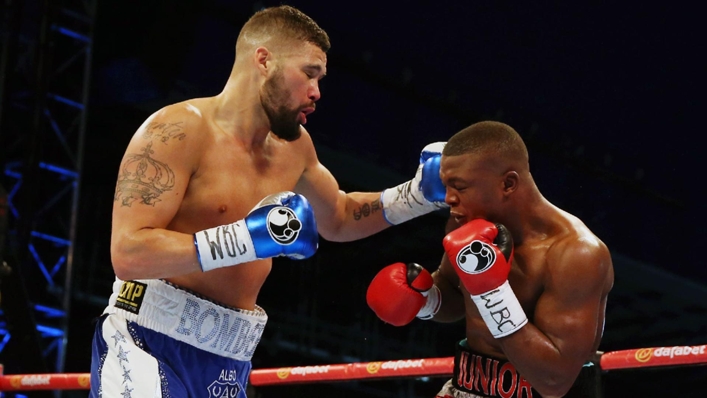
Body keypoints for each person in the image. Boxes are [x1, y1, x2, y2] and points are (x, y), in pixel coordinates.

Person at [89, 5, 448, 398]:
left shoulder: (294, 148)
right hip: (147, 341)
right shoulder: (176, 130)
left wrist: (415, 196)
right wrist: (245, 239)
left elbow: (340, 217)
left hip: (230, 359)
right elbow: (128, 252)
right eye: (309, 73)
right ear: (264, 60)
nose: (317, 92)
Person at [367, 121, 614, 398]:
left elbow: (554, 381)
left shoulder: (576, 254)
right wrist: (425, 298)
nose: (448, 198)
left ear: (508, 183)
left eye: (459, 187)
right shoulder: (469, 224)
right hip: (465, 385)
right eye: (447, 185)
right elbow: (454, 292)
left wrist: (491, 292)